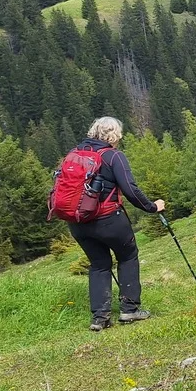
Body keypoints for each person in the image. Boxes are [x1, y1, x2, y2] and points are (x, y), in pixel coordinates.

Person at [61, 117, 165, 332]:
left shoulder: (74, 154)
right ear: (114, 135)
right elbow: (130, 189)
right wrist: (152, 207)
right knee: (127, 256)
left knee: (99, 265)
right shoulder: (113, 156)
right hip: (108, 219)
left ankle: (100, 318)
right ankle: (130, 310)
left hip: (77, 221)